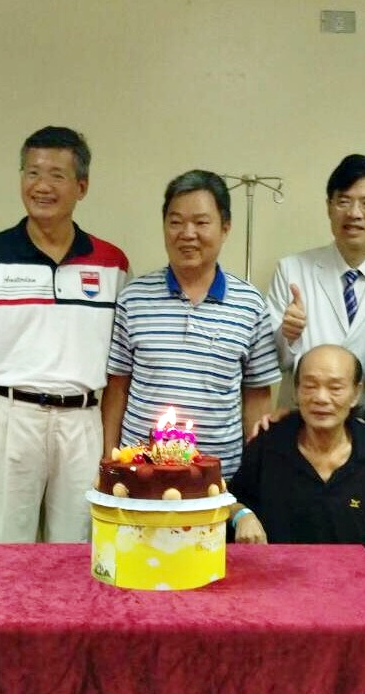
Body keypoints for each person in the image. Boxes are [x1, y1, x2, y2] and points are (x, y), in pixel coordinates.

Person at [0, 127, 128, 542]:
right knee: (1, 548)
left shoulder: (112, 264)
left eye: (56, 175)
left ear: (82, 186)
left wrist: (109, 449)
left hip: (83, 421)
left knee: (82, 546)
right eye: (32, 173)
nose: (42, 186)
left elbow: (120, 368)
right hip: (10, 417)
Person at [102, 170, 279, 477]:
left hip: (219, 479)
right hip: (140, 475)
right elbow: (117, 388)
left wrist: (256, 472)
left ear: (225, 227)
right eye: (175, 222)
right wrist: (109, 460)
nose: (187, 233)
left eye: (200, 222)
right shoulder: (134, 298)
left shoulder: (250, 304)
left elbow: (257, 397)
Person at [228, 344, 365, 590]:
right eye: (310, 386)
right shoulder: (269, 444)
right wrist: (242, 515)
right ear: (296, 391)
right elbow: (229, 501)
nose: (321, 398)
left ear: (356, 393)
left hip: (363, 595)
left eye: (335, 388)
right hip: (281, 591)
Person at [265, 154, 365, 402]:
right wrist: (289, 335)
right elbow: (271, 362)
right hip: (306, 414)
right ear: (329, 206)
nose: (354, 213)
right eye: (344, 201)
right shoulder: (291, 270)